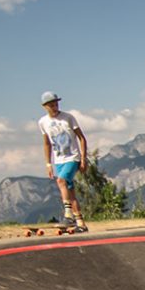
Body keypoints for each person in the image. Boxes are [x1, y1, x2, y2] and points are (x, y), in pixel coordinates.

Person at [38, 91, 90, 232]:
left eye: (56, 104)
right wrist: (48, 163)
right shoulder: (43, 122)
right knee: (69, 190)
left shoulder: (68, 118)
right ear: (45, 106)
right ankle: (81, 223)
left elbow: (82, 138)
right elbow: (47, 143)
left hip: (72, 157)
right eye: (51, 105)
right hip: (58, 160)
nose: (55, 107)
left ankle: (68, 216)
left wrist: (83, 159)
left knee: (61, 181)